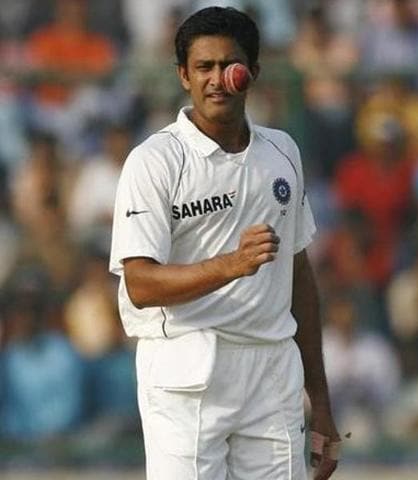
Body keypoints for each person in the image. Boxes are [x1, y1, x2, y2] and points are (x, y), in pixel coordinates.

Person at [109, 7, 340, 480]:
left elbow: (299, 276)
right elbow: (140, 284)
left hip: (272, 372)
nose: (217, 79)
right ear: (183, 76)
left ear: (251, 73)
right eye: (203, 68)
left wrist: (321, 403)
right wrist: (230, 264)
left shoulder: (282, 153)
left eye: (228, 65)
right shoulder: (153, 161)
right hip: (186, 369)